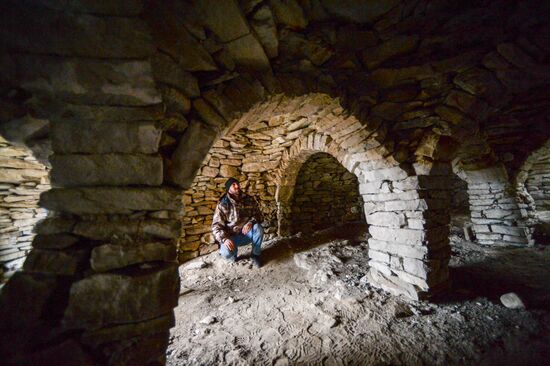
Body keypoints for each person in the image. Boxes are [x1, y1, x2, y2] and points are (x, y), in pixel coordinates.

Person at [211, 177, 264, 267]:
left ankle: (255, 255)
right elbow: (216, 226)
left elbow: (259, 216)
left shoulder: (249, 199)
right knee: (226, 253)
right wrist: (224, 239)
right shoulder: (223, 204)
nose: (237, 186)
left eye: (237, 184)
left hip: (246, 234)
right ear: (228, 189)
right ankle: (233, 254)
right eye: (233, 185)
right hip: (231, 237)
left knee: (258, 229)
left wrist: (250, 222)